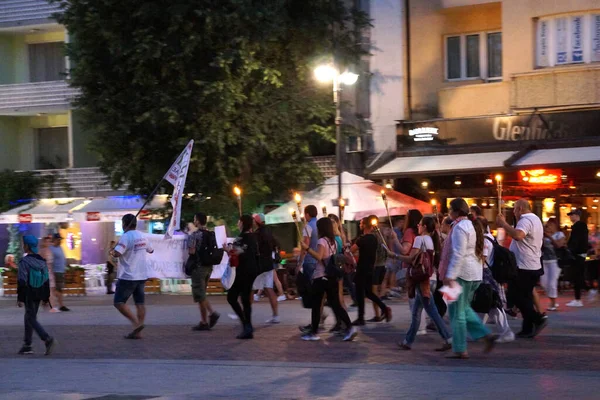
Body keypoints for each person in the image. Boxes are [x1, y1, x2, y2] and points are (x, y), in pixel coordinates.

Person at [388, 216, 451, 351]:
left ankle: (448, 338)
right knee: (417, 311)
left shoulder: (419, 239)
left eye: (420, 223)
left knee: (432, 312)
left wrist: (394, 255)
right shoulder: (432, 240)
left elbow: (411, 258)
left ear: (425, 227)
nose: (418, 225)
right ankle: (408, 341)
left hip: (423, 281)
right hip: (431, 278)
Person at [444, 198, 496, 359]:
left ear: (456, 211)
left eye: (450, 210)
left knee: (457, 311)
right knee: (460, 308)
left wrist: (450, 275)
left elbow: (459, 253)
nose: (448, 213)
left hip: (461, 274)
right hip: (472, 273)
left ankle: (460, 348)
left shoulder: (460, 227)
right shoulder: (470, 225)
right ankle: (484, 335)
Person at [300, 217, 358, 342]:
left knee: (316, 305)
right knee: (336, 304)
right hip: (332, 276)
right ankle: (349, 326)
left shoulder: (322, 241)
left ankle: (314, 332)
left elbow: (320, 257)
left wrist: (307, 248)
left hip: (321, 276)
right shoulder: (334, 241)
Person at [496, 199, 547, 338]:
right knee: (526, 297)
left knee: (517, 297)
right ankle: (527, 328)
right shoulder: (535, 219)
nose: (513, 212)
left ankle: (537, 319)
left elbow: (518, 235)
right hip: (531, 264)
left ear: (520, 209)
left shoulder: (525, 220)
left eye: (514, 209)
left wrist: (503, 224)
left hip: (524, 265)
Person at [111, 214, 154, 339]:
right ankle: (138, 331)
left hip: (128, 276)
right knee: (139, 303)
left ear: (125, 224)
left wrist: (112, 251)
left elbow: (117, 253)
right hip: (141, 275)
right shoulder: (142, 236)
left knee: (119, 302)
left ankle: (136, 324)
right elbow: (151, 250)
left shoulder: (126, 237)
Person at [17, 235, 57, 355]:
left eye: (24, 244)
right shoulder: (41, 260)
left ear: (27, 246)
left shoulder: (24, 262)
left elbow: (22, 281)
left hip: (29, 293)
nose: (23, 246)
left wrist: (20, 298)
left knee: (30, 317)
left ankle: (47, 339)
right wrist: (46, 297)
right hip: (39, 292)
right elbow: (46, 280)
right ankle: (27, 344)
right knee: (29, 316)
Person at [350, 216, 392, 326]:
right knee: (369, 292)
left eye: (361, 223)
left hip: (362, 268)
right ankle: (384, 308)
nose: (359, 225)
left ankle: (360, 317)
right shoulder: (374, 238)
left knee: (360, 293)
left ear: (364, 225)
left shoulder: (362, 239)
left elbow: (351, 250)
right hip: (371, 268)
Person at [480, 217, 515, 343]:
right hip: (491, 274)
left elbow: (482, 259)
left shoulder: (484, 240)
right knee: (486, 304)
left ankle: (506, 332)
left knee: (492, 305)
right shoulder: (490, 237)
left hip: (487, 275)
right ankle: (479, 331)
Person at [225, 215, 259, 339]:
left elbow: (234, 253)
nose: (238, 223)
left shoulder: (239, 239)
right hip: (252, 270)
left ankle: (246, 324)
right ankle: (248, 326)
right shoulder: (253, 237)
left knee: (232, 297)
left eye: (239, 221)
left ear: (243, 223)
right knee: (245, 299)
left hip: (242, 271)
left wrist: (226, 249)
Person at [188, 212, 220, 331]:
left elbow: (191, 251)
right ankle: (204, 322)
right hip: (208, 267)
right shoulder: (211, 234)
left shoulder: (194, 235)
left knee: (199, 294)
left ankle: (212, 313)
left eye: (194, 219)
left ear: (197, 221)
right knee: (202, 294)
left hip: (198, 267)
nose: (194, 221)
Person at [252, 213, 280, 324]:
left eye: (254, 220)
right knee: (269, 289)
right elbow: (276, 244)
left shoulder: (258, 234)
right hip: (269, 263)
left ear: (257, 221)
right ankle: (275, 315)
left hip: (260, 265)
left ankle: (244, 313)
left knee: (250, 288)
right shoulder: (269, 231)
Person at [541, 218, 565, 311]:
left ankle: (553, 303)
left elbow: (559, 245)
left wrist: (550, 237)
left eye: (550, 225)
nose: (548, 227)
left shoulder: (559, 234)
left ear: (555, 225)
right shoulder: (544, 235)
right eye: (547, 225)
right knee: (543, 282)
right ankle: (552, 298)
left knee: (552, 283)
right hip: (544, 261)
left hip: (555, 261)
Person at [566, 209, 588, 307]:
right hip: (579, 254)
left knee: (577, 276)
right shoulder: (580, 226)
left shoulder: (579, 226)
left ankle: (578, 299)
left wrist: (571, 250)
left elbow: (577, 241)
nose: (570, 217)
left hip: (577, 255)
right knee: (578, 276)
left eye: (572, 215)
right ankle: (581, 295)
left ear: (577, 215)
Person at [49, 233, 70, 312]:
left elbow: (63, 258)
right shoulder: (51, 248)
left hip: (61, 271)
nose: (60, 241)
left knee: (60, 289)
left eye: (60, 239)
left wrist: (67, 265)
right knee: (57, 289)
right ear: (54, 240)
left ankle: (60, 305)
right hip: (55, 271)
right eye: (58, 239)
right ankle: (59, 305)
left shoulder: (60, 247)